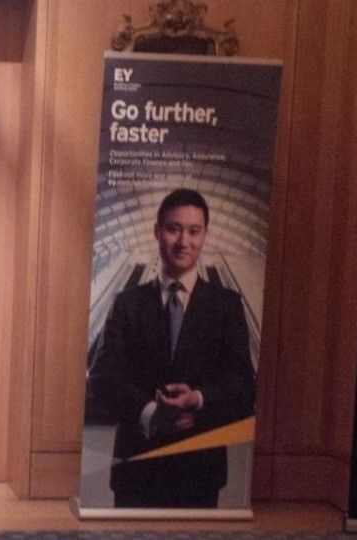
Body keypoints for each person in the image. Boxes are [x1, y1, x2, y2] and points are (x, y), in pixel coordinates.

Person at [89, 188, 255, 508]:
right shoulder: (127, 304)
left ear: (205, 235)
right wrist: (151, 413)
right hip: (137, 466)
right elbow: (102, 378)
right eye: (173, 229)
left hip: (199, 467)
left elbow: (243, 384)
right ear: (157, 232)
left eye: (194, 231)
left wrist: (198, 400)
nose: (183, 241)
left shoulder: (226, 306)